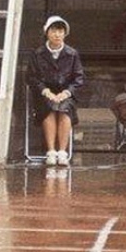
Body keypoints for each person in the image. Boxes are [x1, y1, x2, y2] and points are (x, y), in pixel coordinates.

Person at [26, 15, 84, 166]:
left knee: (65, 109)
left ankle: (62, 152)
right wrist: (46, 91)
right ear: (47, 32)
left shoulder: (72, 54)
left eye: (60, 31)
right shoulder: (37, 54)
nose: (57, 34)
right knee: (49, 108)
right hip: (45, 94)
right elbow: (31, 77)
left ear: (65, 33)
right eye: (54, 31)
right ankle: (51, 151)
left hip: (65, 93)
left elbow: (78, 78)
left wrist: (66, 92)